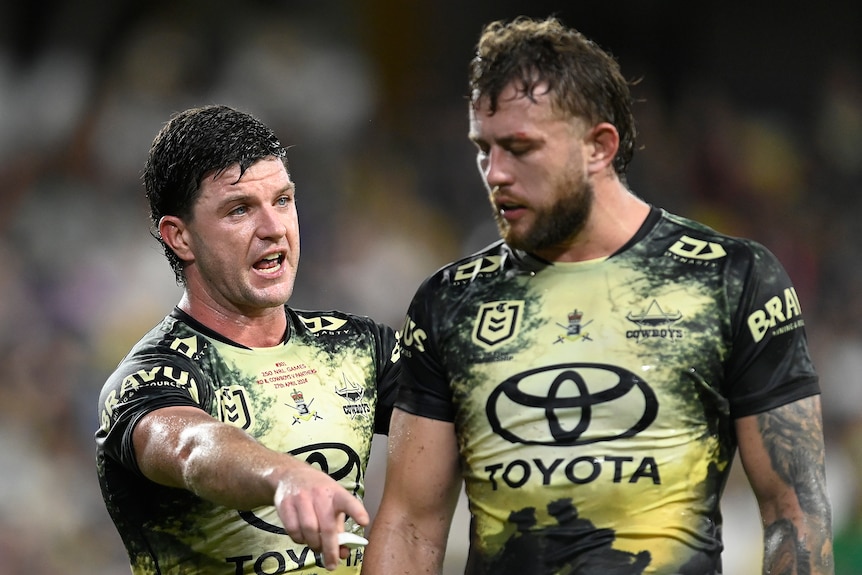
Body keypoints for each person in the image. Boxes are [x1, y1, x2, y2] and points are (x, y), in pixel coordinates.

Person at [363, 16, 833, 575]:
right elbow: (410, 526)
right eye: (483, 148)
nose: (495, 173)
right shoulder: (449, 301)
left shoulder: (734, 280)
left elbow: (793, 514)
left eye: (519, 148)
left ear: (599, 146)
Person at [95, 105, 400, 574]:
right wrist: (284, 476)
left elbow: (468, 412)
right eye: (240, 210)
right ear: (180, 238)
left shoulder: (357, 346)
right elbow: (191, 447)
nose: (274, 228)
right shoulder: (150, 378)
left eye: (282, 200)